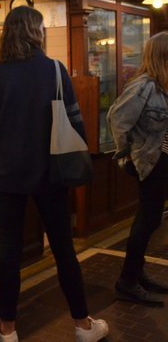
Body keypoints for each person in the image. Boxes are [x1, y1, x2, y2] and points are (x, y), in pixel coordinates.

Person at [0, 6, 108, 342]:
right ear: (38, 33)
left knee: (10, 254)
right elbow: (75, 123)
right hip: (51, 173)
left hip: (7, 176)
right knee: (63, 249)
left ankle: (7, 330)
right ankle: (83, 325)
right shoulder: (55, 71)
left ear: (8, 33)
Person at [107, 31, 168, 307]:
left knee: (152, 220)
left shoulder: (163, 85)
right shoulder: (144, 86)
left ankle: (136, 274)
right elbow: (117, 118)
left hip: (163, 162)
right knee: (147, 220)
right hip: (152, 163)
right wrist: (128, 154)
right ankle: (127, 282)